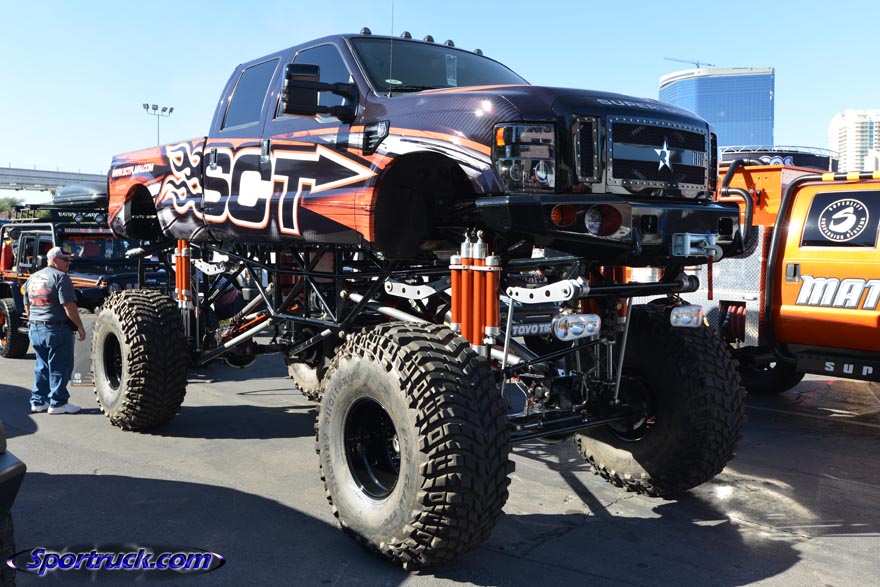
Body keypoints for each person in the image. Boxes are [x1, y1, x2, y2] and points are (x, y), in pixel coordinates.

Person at [23, 246, 86, 414]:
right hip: (56, 328)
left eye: (69, 260)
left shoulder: (33, 277)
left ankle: (38, 401)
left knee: (41, 366)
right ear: (54, 260)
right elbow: (69, 306)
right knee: (61, 367)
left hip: (36, 327)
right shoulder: (61, 277)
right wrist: (80, 326)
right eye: (65, 260)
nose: (68, 263)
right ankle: (58, 403)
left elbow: (27, 305)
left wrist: (34, 321)